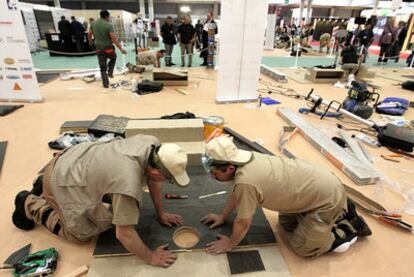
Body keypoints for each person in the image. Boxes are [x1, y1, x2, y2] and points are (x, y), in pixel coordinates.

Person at [12, 134, 190, 268]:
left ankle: (43, 185)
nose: (168, 182)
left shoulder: (152, 144)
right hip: (62, 178)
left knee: (112, 196)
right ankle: (29, 202)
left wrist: (161, 213)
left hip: (75, 159)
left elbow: (152, 181)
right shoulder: (127, 184)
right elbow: (124, 234)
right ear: (157, 172)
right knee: (80, 234)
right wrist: (150, 257)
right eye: (170, 178)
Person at [200, 135, 371, 257]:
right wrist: (222, 217)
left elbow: (243, 222)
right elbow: (237, 194)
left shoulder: (246, 181)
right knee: (286, 224)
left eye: (214, 173)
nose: (212, 177)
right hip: (316, 187)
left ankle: (348, 227)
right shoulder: (245, 159)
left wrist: (230, 245)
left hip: (328, 197)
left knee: (302, 248)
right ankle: (332, 214)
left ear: (229, 169)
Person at [88, 10, 127, 88]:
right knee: (113, 57)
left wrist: (90, 42)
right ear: (107, 16)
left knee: (102, 67)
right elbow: (113, 38)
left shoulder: (93, 24)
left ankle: (105, 84)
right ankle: (110, 71)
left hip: (99, 48)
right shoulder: (108, 25)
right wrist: (121, 48)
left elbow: (89, 34)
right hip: (108, 48)